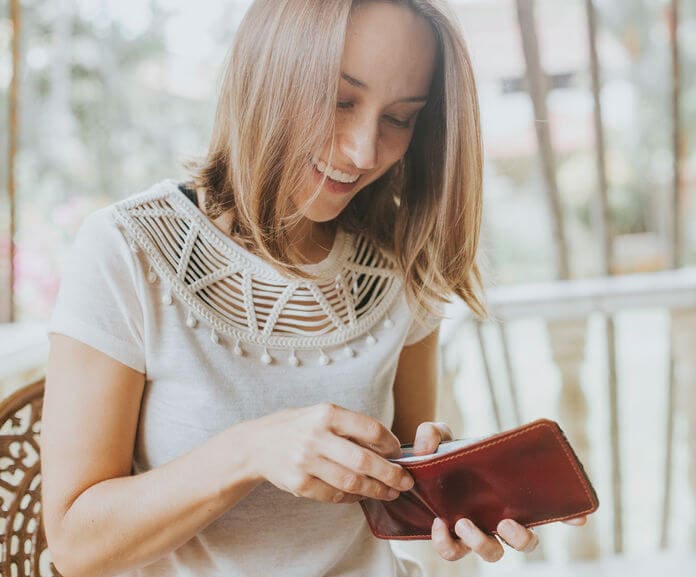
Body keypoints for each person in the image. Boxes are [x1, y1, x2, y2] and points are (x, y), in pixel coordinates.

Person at [41, 1, 589, 576]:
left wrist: (454, 489)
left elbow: (397, 494)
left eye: (399, 118)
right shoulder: (127, 249)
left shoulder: (399, 267)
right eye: (339, 100)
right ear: (266, 71)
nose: (362, 152)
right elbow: (78, 545)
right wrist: (250, 451)